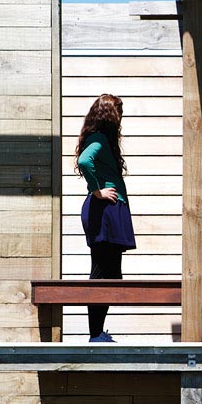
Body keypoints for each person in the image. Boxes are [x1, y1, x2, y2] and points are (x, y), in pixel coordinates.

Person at [75, 94, 135, 342]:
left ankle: (98, 332)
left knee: (111, 273)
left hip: (110, 210)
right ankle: (95, 334)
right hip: (104, 211)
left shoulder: (103, 140)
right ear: (111, 114)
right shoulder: (99, 138)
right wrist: (97, 190)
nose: (121, 118)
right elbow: (84, 160)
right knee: (101, 271)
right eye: (119, 112)